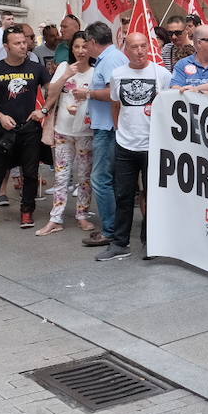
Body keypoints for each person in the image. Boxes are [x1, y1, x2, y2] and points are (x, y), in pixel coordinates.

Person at [95, 32, 173, 261]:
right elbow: (115, 105)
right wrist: (120, 130)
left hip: (153, 146)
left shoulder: (162, 74)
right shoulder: (117, 74)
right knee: (124, 195)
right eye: (134, 47)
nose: (139, 51)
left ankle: (150, 242)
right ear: (125, 50)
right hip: (125, 146)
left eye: (143, 46)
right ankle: (120, 243)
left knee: (152, 197)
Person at [0, 26, 51, 233]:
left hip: (30, 130)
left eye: (25, 42)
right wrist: (0, 116)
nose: (23, 46)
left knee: (30, 173)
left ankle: (27, 210)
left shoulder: (36, 68)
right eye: (18, 43)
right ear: (6, 46)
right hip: (5, 132)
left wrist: (44, 110)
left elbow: (53, 91)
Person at [35, 33, 96, 237]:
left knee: (84, 177)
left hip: (85, 131)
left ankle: (82, 214)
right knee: (61, 176)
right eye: (77, 47)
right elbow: (50, 93)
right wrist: (64, 76)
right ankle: (56, 218)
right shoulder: (63, 67)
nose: (80, 51)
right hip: (62, 130)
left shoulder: (96, 72)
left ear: (91, 48)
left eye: (84, 46)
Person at [79, 22, 126, 247]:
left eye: (86, 43)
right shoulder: (108, 59)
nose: (84, 48)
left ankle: (110, 230)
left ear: (93, 42)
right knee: (108, 180)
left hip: (109, 129)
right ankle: (114, 227)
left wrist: (88, 93)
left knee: (100, 179)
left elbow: (114, 94)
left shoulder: (112, 59)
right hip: (106, 126)